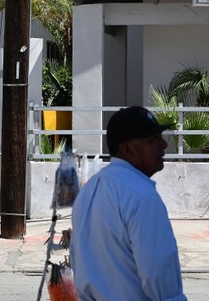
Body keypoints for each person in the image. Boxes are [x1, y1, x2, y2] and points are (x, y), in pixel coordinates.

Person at [69, 106, 187, 301]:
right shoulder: (143, 197)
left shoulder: (89, 191)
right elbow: (161, 279)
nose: (163, 145)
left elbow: (78, 263)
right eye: (153, 140)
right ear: (128, 149)